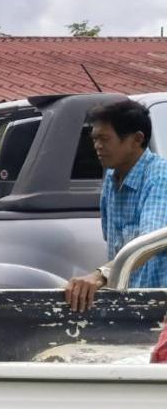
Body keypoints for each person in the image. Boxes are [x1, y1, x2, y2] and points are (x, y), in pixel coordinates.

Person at [66, 100, 167, 312]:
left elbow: (145, 246)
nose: (97, 146)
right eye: (94, 139)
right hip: (129, 305)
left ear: (137, 139)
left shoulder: (159, 177)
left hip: (159, 308)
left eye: (104, 139)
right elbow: (115, 247)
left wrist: (99, 275)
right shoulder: (112, 178)